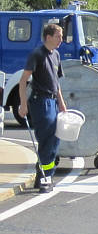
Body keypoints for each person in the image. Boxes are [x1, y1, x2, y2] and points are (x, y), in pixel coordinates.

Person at [18, 24, 67, 193]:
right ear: (48, 37)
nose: (61, 39)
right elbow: (23, 80)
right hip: (41, 101)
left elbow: (56, 82)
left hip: (52, 102)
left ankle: (43, 175)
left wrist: (61, 102)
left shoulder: (57, 55)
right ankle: (46, 177)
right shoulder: (37, 54)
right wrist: (23, 104)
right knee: (48, 138)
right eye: (58, 36)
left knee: (54, 138)